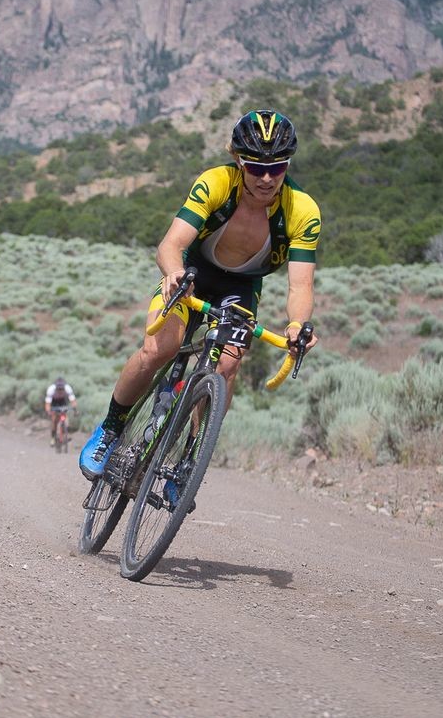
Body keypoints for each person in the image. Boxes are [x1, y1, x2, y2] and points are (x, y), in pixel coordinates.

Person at [80, 109, 321, 480]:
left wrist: (297, 325)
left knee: (227, 365)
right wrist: (175, 273)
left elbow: (300, 285)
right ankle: (110, 428)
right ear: (239, 161)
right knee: (158, 349)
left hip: (242, 287)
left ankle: (190, 457)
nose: (268, 178)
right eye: (256, 168)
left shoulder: (301, 210)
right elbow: (169, 245)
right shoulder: (216, 183)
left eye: (279, 167)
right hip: (192, 272)